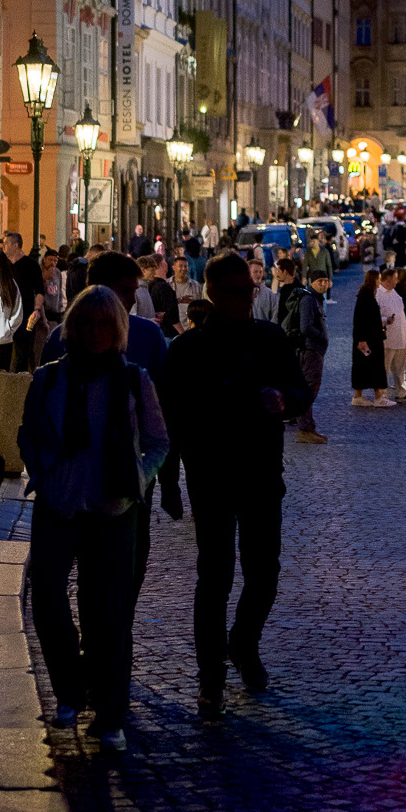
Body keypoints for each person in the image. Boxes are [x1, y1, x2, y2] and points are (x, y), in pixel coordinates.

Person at [18, 285, 169, 748]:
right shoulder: (48, 379)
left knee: (108, 613)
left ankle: (110, 712)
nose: (98, 333)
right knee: (46, 598)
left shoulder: (133, 379)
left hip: (112, 511)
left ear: (119, 329)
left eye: (107, 324)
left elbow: (159, 441)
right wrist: (44, 475)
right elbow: (28, 435)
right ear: (75, 329)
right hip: (58, 507)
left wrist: (135, 484)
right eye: (90, 324)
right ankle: (70, 687)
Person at [159, 253, 310, 714]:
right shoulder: (186, 352)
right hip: (212, 477)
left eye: (249, 290)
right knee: (215, 578)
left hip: (263, 474)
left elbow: (300, 391)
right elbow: (169, 422)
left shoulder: (270, 338)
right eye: (237, 292)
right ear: (214, 294)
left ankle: (243, 644)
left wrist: (283, 399)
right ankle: (211, 676)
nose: (248, 298)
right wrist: (168, 483)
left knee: (264, 575)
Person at [274, 255, 329, 440]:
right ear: (312, 283)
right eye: (320, 281)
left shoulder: (315, 298)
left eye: (326, 281)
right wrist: (322, 337)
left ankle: (308, 427)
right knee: (309, 389)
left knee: (310, 388)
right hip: (310, 350)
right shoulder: (308, 299)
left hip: (311, 349)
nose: (324, 284)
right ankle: (304, 429)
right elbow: (306, 327)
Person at [1, 231, 46, 371]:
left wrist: (37, 310)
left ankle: (19, 383)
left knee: (23, 352)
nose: (3, 246)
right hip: (4, 315)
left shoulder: (31, 265)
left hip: (25, 315)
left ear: (15, 246)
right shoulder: (3, 265)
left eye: (6, 243)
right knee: (4, 351)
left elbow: (39, 291)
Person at [351, 267, 389, 407]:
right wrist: (361, 339)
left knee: (365, 367)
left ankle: (360, 396)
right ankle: (378, 396)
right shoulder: (366, 296)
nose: (380, 282)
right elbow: (360, 319)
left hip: (368, 338)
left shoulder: (366, 294)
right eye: (378, 279)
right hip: (369, 339)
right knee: (374, 366)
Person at [377, 265, 406, 401]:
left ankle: (401, 392)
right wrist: (385, 320)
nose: (397, 281)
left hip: (401, 336)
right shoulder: (378, 295)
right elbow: (372, 317)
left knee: (400, 368)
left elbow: (400, 312)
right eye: (395, 279)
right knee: (385, 368)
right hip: (388, 338)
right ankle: (383, 394)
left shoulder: (394, 293)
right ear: (388, 279)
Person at [142, 252, 179, 338]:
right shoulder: (164, 287)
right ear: (162, 265)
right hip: (167, 334)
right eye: (165, 262)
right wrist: (182, 334)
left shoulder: (146, 286)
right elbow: (173, 317)